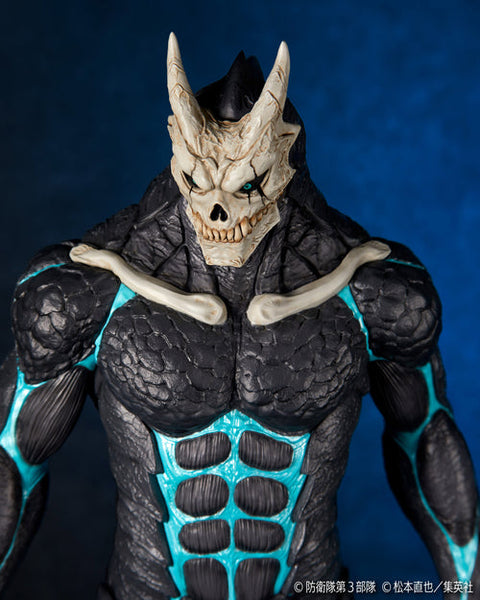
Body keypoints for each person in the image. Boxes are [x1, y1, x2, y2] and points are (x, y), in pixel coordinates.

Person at [0, 33, 478, 600]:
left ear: (286, 159)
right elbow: (13, 459)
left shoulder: (373, 292)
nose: (217, 209)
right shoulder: (86, 291)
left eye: (245, 182)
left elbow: (427, 440)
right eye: (199, 179)